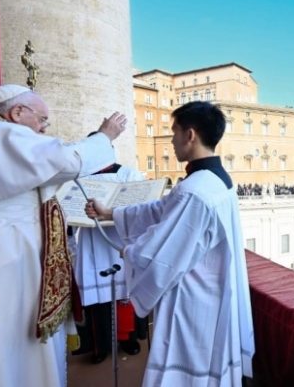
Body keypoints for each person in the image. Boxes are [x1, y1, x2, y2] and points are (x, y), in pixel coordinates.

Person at [0, 85, 126, 387]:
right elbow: (67, 161)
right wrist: (104, 137)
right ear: (17, 112)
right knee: (7, 342)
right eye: (42, 119)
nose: (43, 129)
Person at [86, 101, 255, 386]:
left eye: (174, 131)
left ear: (190, 135)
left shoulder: (195, 190)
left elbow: (163, 254)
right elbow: (161, 210)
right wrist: (111, 213)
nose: (172, 140)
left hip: (193, 297)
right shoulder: (213, 179)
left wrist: (129, 252)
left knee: (185, 373)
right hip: (210, 288)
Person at [72, 133, 145, 364]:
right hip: (93, 243)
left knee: (125, 295)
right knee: (99, 300)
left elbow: (143, 206)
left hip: (120, 240)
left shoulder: (129, 174)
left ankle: (127, 338)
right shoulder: (80, 179)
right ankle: (100, 345)